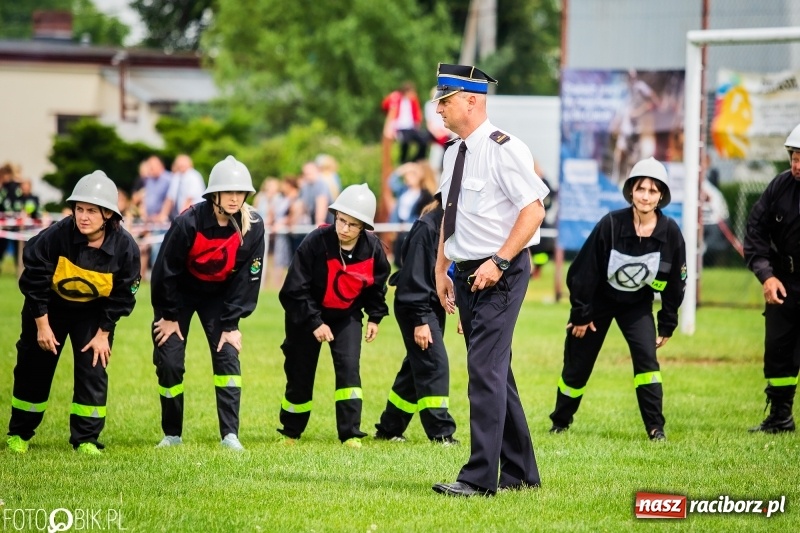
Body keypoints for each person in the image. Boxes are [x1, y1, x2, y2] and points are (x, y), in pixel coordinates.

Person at [431, 63, 549, 497]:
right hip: (465, 273)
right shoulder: (451, 151)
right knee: (497, 372)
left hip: (499, 273)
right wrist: (442, 266)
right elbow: (450, 213)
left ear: (471, 101)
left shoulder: (504, 148)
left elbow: (534, 210)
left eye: (445, 101)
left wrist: (499, 261)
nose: (438, 109)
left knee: (484, 370)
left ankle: (479, 478)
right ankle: (521, 473)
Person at [548, 157, 687, 441]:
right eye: (641, 189)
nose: (646, 196)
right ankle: (560, 422)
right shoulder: (610, 224)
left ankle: (655, 428)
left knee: (648, 363)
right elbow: (582, 273)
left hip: (637, 306)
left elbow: (675, 283)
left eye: (652, 190)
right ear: (631, 192)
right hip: (597, 302)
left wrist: (667, 323)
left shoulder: (670, 232)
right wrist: (581, 315)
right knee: (578, 363)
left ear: (661, 196)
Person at [5, 171, 141, 455]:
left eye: (92, 210)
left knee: (94, 368)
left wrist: (104, 332)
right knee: (33, 368)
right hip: (48, 309)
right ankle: (19, 434)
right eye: (79, 209)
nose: (83, 216)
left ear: (107, 214)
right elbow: (34, 279)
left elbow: (124, 293)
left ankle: (86, 439)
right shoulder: (57, 235)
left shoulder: (125, 247)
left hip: (92, 315)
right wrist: (41, 324)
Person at [151, 155, 265, 452]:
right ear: (213, 194)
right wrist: (168, 316)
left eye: (240, 192)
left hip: (220, 298)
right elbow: (165, 271)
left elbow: (247, 279)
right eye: (228, 192)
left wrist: (232, 324)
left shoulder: (253, 226)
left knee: (228, 355)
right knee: (170, 360)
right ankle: (172, 433)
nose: (234, 198)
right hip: (179, 297)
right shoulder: (187, 222)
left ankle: (230, 435)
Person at [277, 184, 390, 448]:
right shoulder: (315, 242)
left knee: (349, 370)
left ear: (363, 227)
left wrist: (375, 316)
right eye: (341, 220)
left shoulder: (374, 249)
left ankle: (350, 434)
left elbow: (376, 286)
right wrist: (315, 322)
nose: (344, 228)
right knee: (300, 372)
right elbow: (294, 289)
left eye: (352, 224)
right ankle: (291, 432)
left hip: (346, 316)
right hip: (306, 316)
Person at [374, 195, 458, 444]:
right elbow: (414, 279)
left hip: (430, 304)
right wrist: (421, 320)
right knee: (434, 364)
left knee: (415, 368)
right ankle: (441, 433)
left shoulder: (453, 224)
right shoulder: (428, 227)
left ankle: (389, 428)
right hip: (416, 306)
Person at [743, 123, 800, 433]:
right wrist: (767, 276)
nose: (796, 166)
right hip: (785, 284)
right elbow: (754, 232)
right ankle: (780, 417)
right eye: (794, 157)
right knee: (779, 351)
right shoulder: (779, 187)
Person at [389, 161, 436, 267]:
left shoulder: (425, 195)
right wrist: (403, 169)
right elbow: (391, 183)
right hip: (399, 228)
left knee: (409, 260)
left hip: (412, 228)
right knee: (397, 259)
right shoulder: (404, 190)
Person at [383, 81, 428, 163]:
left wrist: (417, 123)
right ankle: (403, 162)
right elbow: (385, 106)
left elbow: (418, 113)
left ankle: (416, 160)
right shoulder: (397, 98)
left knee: (424, 140)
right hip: (400, 127)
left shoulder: (413, 101)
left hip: (411, 127)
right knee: (405, 142)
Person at [159, 154, 206, 222]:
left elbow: (189, 200)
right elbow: (170, 199)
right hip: (181, 215)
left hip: (194, 215)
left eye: (183, 163)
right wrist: (163, 215)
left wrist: (182, 217)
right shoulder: (176, 177)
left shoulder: (194, 176)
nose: (181, 165)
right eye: (179, 163)